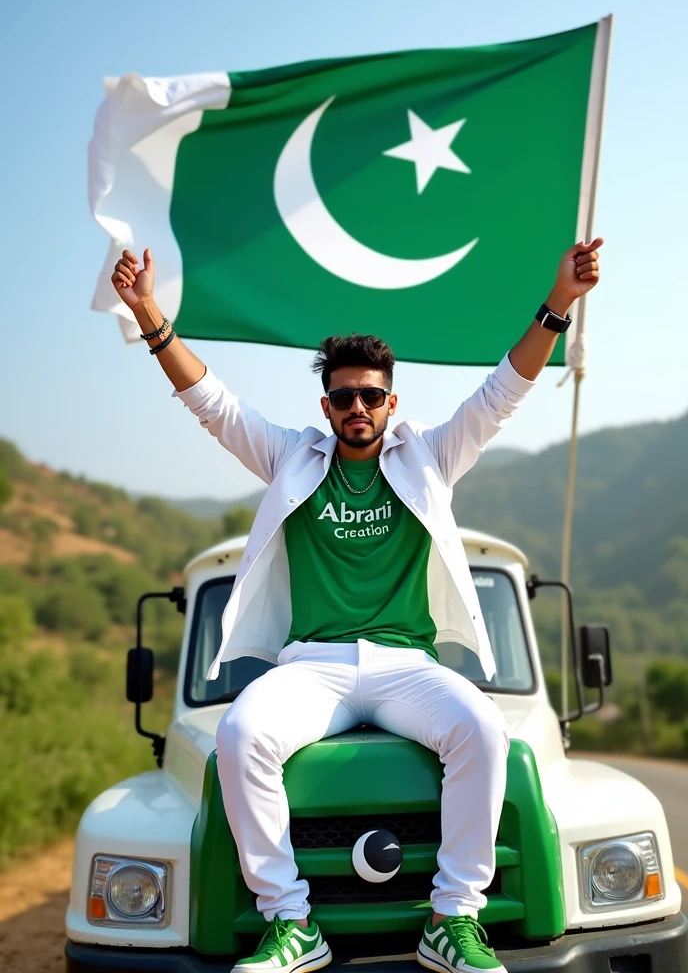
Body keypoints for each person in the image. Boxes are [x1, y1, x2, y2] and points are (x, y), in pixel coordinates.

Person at [112, 239, 602, 973]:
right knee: (242, 733)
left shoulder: (430, 459)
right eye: (344, 396)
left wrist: (559, 301)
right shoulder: (289, 459)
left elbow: (504, 391)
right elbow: (212, 405)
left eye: (372, 394)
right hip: (313, 666)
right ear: (327, 405)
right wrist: (148, 311)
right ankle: (291, 922)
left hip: (407, 663)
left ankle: (453, 919)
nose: (358, 407)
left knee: (482, 728)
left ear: (390, 402)